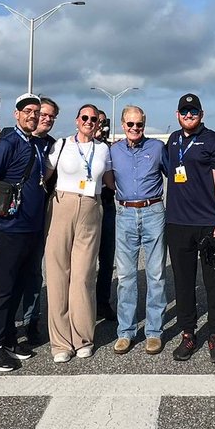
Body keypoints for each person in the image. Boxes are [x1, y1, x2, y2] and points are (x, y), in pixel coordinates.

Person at [0, 94, 48, 371]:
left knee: (18, 286)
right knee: (2, 289)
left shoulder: (32, 144)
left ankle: (7, 339)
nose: (32, 115)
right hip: (9, 227)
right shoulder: (7, 143)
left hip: (31, 227)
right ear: (16, 114)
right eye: (27, 111)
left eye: (36, 111)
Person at [163, 93, 215, 363]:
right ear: (177, 114)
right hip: (178, 223)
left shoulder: (214, 141)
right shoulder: (173, 140)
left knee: (213, 281)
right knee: (183, 283)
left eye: (193, 112)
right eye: (184, 112)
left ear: (201, 114)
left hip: (208, 223)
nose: (188, 116)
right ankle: (188, 333)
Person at [44, 104, 113, 362]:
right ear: (76, 121)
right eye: (84, 117)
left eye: (94, 119)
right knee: (58, 273)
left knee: (83, 276)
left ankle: (82, 337)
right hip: (62, 204)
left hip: (91, 208)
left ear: (99, 123)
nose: (89, 121)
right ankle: (60, 343)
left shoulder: (103, 149)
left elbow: (110, 181)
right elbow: (44, 174)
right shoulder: (61, 145)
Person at [109, 104, 168, 354]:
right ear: (122, 125)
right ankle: (126, 331)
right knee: (126, 277)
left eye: (139, 124)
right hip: (124, 213)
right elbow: (106, 178)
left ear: (144, 124)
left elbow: (176, 174)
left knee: (155, 274)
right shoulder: (113, 151)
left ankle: (154, 331)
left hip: (153, 211)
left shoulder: (157, 148)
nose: (135, 128)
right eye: (130, 124)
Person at [20, 96, 60, 344]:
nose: (45, 119)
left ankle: (30, 321)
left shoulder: (55, 146)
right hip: (14, 218)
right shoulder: (13, 140)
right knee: (11, 274)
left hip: (42, 216)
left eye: (50, 116)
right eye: (41, 114)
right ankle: (6, 325)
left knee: (35, 272)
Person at [94, 109, 119, 322]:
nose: (98, 126)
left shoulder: (110, 149)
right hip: (86, 206)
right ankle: (83, 304)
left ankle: (103, 302)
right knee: (83, 260)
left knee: (107, 257)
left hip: (107, 205)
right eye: (94, 121)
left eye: (102, 122)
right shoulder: (74, 146)